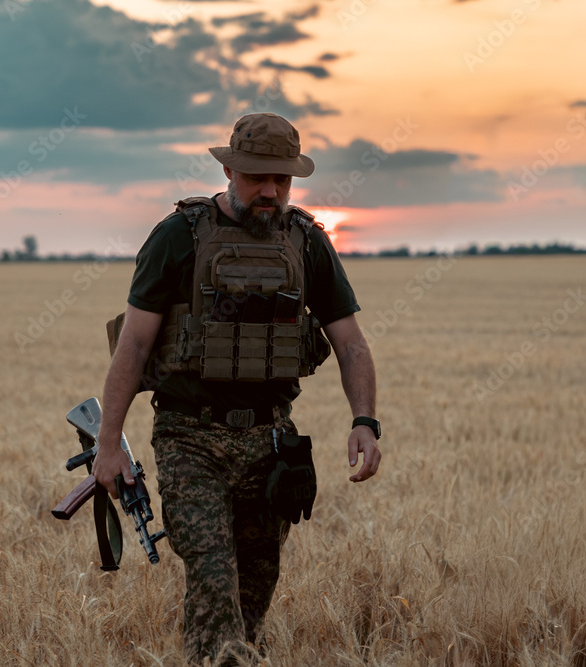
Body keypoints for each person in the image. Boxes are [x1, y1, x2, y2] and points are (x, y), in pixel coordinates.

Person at [92, 112, 382, 665]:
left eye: (282, 179)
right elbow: (131, 347)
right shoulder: (178, 237)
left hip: (271, 445)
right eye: (256, 178)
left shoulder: (307, 243)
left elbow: (351, 344)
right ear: (229, 170)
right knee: (213, 586)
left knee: (251, 606)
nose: (270, 191)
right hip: (189, 439)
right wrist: (109, 445)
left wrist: (364, 421)